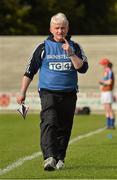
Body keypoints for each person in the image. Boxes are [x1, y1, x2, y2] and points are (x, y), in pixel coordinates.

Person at [17, 12, 88, 171]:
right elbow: (30, 71)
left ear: (67, 28)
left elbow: (82, 68)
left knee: (65, 127)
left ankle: (60, 157)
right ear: (51, 29)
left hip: (69, 93)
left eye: (63, 28)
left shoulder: (75, 47)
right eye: (56, 28)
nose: (60, 31)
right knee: (49, 122)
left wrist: (70, 53)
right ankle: (49, 157)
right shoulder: (42, 47)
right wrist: (22, 92)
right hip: (48, 92)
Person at [99, 58, 115, 129]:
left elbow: (109, 82)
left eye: (103, 64)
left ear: (106, 64)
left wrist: (102, 82)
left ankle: (111, 124)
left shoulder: (109, 71)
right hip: (104, 92)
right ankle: (108, 124)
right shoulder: (106, 71)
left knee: (109, 108)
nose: (102, 66)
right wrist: (101, 85)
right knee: (106, 108)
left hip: (108, 92)